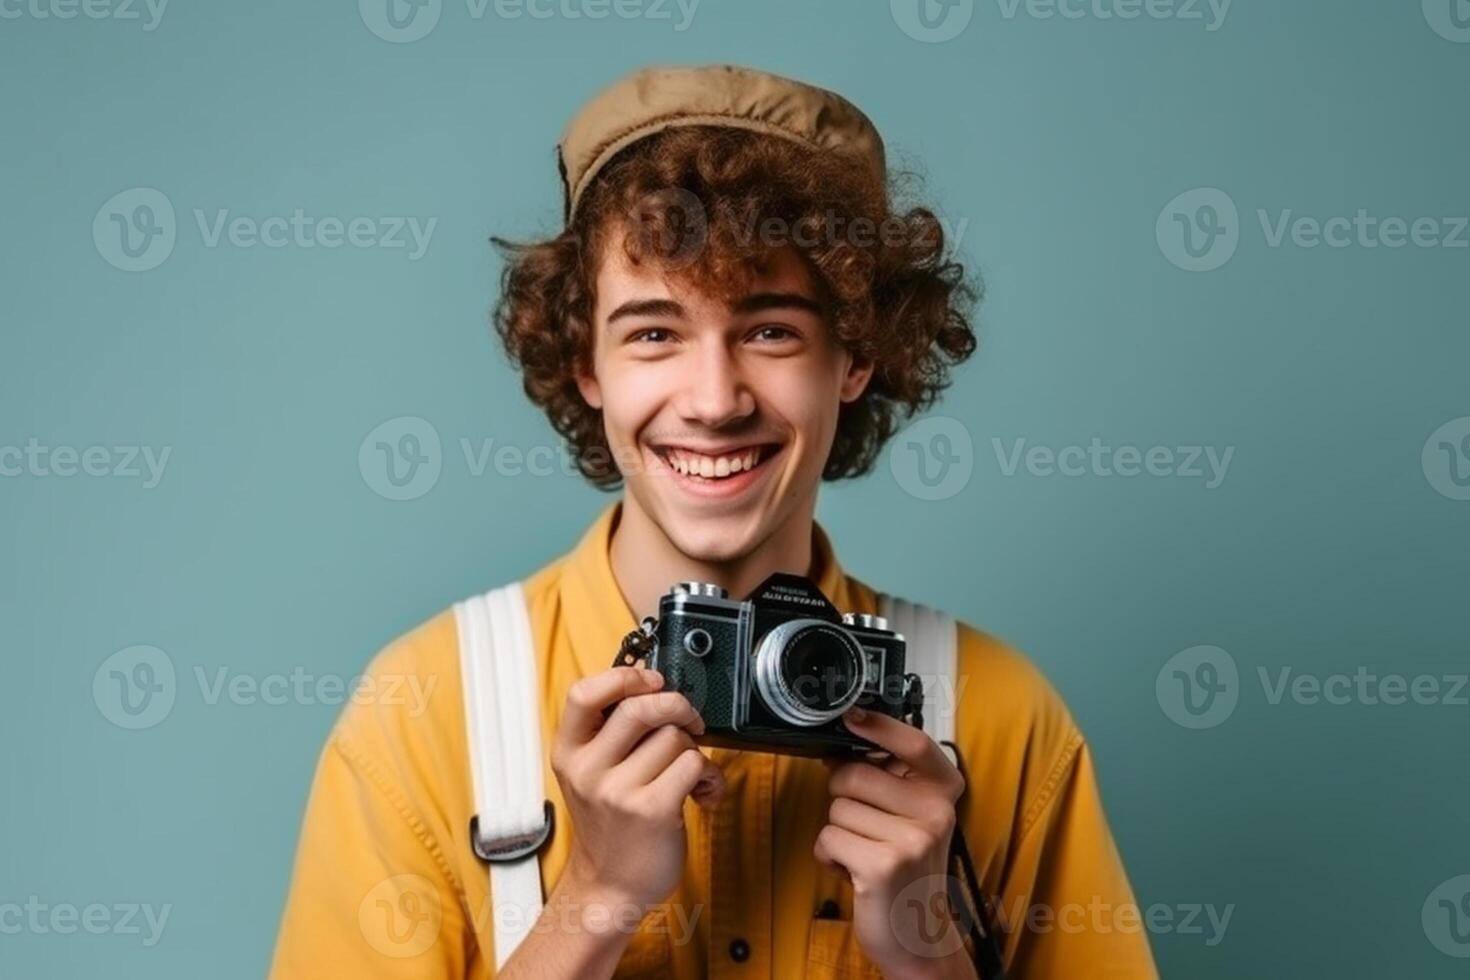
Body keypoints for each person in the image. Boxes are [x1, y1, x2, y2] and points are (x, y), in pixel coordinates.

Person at [269, 63, 1158, 980]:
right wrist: (593, 900)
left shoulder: (1002, 715)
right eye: (654, 332)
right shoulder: (426, 710)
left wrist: (932, 956)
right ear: (587, 366)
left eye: (770, 330)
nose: (713, 400)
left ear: (855, 357)